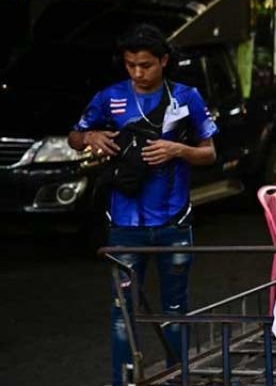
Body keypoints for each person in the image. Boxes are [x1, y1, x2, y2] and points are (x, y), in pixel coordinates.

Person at [67, 24, 218, 386]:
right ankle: (124, 380)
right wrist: (89, 136)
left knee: (176, 309)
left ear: (164, 61)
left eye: (146, 65)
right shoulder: (109, 97)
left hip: (173, 220)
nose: (138, 72)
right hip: (123, 222)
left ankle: (177, 376)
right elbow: (73, 136)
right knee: (123, 311)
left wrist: (177, 149)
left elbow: (210, 153)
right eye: (131, 64)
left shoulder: (187, 97)